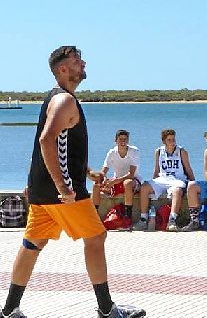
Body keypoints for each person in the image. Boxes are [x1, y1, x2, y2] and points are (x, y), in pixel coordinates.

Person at [1, 46, 145, 318]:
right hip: (63, 193)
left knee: (32, 244)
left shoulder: (54, 99)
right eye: (77, 61)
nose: (83, 63)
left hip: (41, 191)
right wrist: (63, 186)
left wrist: (87, 171)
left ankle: (9, 310)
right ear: (62, 69)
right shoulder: (64, 101)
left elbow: (62, 146)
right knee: (96, 237)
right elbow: (47, 140)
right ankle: (106, 309)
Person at [132, 129, 195, 232]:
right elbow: (156, 170)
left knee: (177, 191)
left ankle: (172, 220)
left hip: (177, 180)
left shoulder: (181, 151)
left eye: (173, 139)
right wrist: (152, 183)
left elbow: (188, 168)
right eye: (169, 140)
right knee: (144, 187)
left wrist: (193, 183)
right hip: (162, 179)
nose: (172, 142)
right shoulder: (159, 151)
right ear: (164, 141)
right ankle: (143, 219)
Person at [91, 129, 141, 230]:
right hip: (117, 181)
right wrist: (103, 178)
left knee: (127, 183)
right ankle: (94, 218)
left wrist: (116, 181)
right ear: (116, 141)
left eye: (125, 139)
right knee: (96, 185)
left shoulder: (134, 151)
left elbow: (131, 174)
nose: (123, 142)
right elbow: (104, 170)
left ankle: (128, 219)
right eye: (120, 139)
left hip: (133, 181)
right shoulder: (112, 152)